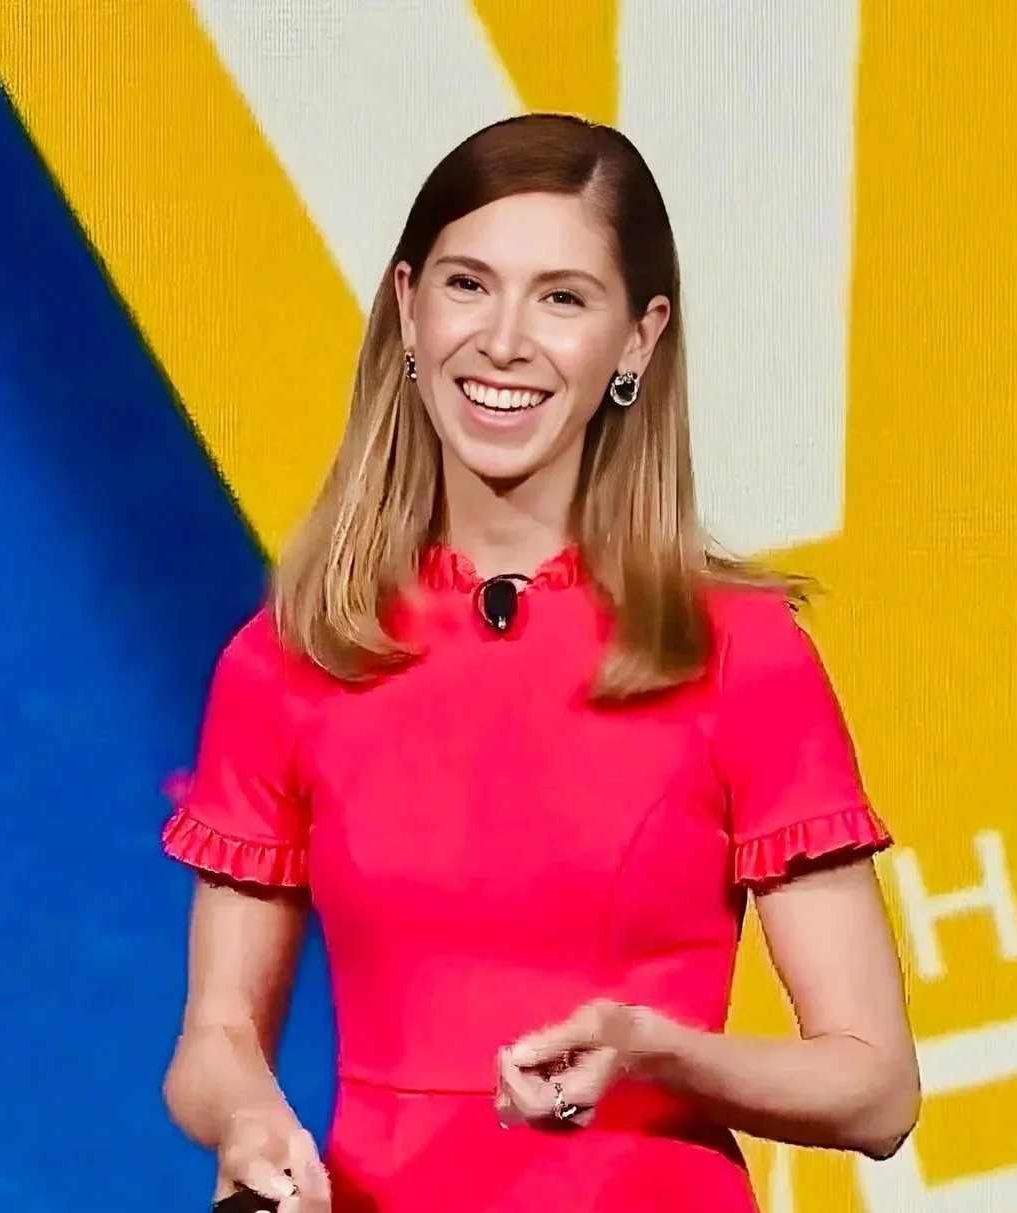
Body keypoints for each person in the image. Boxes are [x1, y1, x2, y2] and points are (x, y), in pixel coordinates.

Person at [157, 112, 920, 1213]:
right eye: (470, 285)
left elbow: (876, 1086)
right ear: (409, 308)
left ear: (638, 339)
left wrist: (656, 1051)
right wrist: (250, 1118)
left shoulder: (737, 654)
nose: (504, 339)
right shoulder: (293, 656)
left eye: (562, 298)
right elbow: (217, 1033)